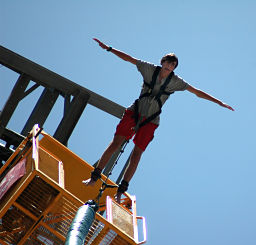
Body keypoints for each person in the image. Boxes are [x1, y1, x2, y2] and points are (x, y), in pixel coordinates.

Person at [83, 38, 234, 203]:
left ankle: (121, 191)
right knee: (115, 143)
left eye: (173, 65)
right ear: (162, 62)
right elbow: (130, 59)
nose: (170, 67)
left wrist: (219, 102)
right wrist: (109, 48)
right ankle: (94, 177)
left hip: (151, 120)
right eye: (168, 63)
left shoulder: (176, 82)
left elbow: (196, 92)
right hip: (135, 112)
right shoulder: (149, 69)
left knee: (137, 154)